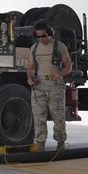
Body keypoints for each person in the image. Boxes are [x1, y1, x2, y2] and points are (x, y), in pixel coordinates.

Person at [25, 20, 72, 151]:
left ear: (49, 33)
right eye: (38, 36)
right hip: (39, 86)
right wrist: (29, 78)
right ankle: (40, 148)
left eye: (43, 36)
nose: (41, 39)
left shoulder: (60, 46)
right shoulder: (34, 48)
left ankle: (60, 145)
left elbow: (68, 66)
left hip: (55, 86)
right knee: (39, 117)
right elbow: (30, 67)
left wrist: (60, 74)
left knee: (58, 118)